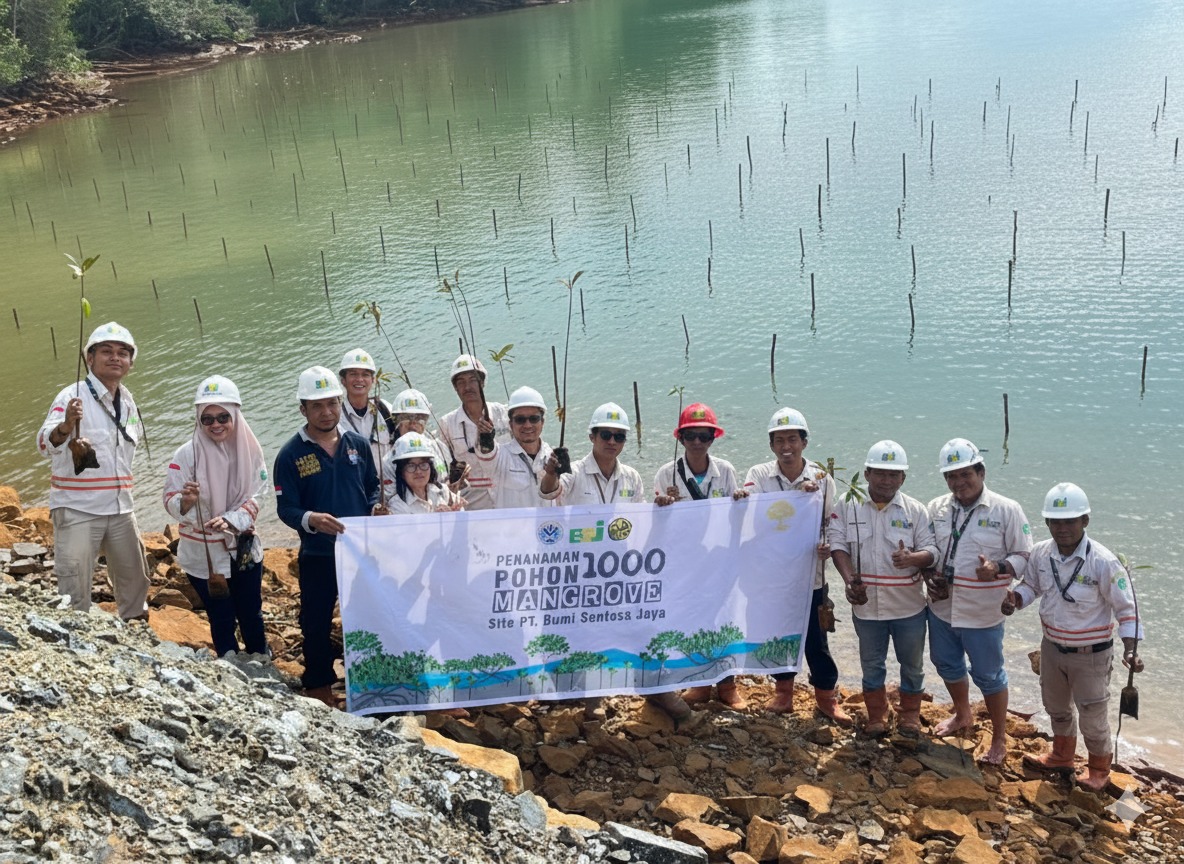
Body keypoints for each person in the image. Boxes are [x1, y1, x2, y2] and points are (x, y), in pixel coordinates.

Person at [540, 403, 697, 727]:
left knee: (641, 627)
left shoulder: (632, 477)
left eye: (619, 436)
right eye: (606, 434)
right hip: (580, 569)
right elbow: (549, 493)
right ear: (592, 436)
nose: (612, 441)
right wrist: (551, 471)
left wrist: (661, 506)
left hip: (619, 570)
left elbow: (638, 522)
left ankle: (658, 690)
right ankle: (591, 701)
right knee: (587, 633)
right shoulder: (574, 472)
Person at [1004, 483, 1144, 791]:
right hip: (1052, 649)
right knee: (1056, 707)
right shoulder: (1041, 553)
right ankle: (1061, 755)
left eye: (1070, 521)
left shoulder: (1103, 561)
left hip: (1091, 654)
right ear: (1047, 523)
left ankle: (1098, 770)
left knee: (1093, 715)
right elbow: (1032, 586)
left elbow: (1126, 609)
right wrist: (1015, 599)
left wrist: (1130, 650)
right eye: (1056, 521)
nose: (1062, 528)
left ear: (1085, 521)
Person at [273, 366, 381, 707]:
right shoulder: (290, 455)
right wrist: (311, 519)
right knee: (315, 621)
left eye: (332, 403)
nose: (326, 412)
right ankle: (319, 686)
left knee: (364, 618)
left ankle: (367, 682)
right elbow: (286, 508)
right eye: (317, 406)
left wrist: (377, 507)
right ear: (302, 409)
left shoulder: (358, 446)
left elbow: (373, 487)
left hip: (359, 553)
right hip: (318, 553)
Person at [925, 437, 1032, 765]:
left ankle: (999, 739)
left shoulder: (1007, 509)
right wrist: (931, 576)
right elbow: (927, 551)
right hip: (942, 607)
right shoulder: (936, 509)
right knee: (945, 663)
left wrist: (998, 568)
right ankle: (962, 714)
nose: (959, 482)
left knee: (989, 674)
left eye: (965, 474)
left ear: (981, 471)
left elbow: (1026, 554)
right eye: (951, 476)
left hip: (983, 612)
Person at [37, 322, 150, 620]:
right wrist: (65, 427)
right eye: (106, 351)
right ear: (90, 358)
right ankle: (77, 640)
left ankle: (136, 629)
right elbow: (44, 444)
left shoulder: (127, 400)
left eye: (123, 353)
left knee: (135, 578)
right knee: (73, 583)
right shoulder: (71, 396)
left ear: (130, 362)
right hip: (78, 507)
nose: (115, 358)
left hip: (121, 506)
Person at [743, 407, 850, 724]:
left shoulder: (822, 479)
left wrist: (828, 547)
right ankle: (783, 692)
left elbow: (832, 523)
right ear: (771, 445)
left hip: (811, 576)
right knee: (780, 634)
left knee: (817, 640)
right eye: (779, 440)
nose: (786, 446)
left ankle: (827, 699)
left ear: (804, 442)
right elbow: (752, 512)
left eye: (792, 439)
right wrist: (794, 496)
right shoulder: (759, 475)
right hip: (773, 574)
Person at [828, 441, 938, 736]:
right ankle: (876, 714)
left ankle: (910, 715)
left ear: (903, 478)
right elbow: (838, 544)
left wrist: (912, 558)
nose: (886, 480)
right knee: (872, 664)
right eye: (880, 473)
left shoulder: (915, 510)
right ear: (866, 473)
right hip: (866, 606)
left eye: (894, 475)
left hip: (908, 607)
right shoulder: (847, 504)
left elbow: (931, 551)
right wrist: (850, 579)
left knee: (912, 665)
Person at [163, 376, 269, 657]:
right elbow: (169, 498)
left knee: (251, 612)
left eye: (223, 416)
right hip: (203, 554)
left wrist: (235, 519)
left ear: (235, 414)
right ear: (199, 420)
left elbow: (260, 492)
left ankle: (261, 660)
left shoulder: (250, 449)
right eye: (207, 419)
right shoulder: (186, 455)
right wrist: (185, 503)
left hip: (244, 549)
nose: (216, 424)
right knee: (220, 614)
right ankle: (229, 663)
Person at [653, 403, 749, 709]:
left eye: (703, 436)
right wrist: (662, 504)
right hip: (684, 560)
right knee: (691, 620)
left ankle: (728, 684)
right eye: (690, 436)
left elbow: (739, 518)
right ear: (681, 439)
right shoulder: (666, 473)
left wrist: (742, 500)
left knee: (723, 618)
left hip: (719, 558)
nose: (697, 442)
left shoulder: (727, 472)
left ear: (713, 438)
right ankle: (699, 682)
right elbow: (655, 525)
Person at [439, 355, 510, 510]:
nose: (468, 387)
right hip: (471, 504)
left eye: (473, 380)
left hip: (507, 498)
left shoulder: (503, 413)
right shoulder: (447, 423)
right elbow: (442, 468)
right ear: (455, 388)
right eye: (461, 382)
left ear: (482, 382)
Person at [469, 386, 556, 509]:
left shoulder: (552, 455)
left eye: (534, 419)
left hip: (547, 527)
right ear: (510, 424)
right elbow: (486, 453)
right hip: (512, 528)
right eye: (520, 420)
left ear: (542, 422)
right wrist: (485, 436)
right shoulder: (499, 457)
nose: (527, 425)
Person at [337, 349, 395, 474]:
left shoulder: (386, 411)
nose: (359, 379)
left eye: (365, 375)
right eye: (353, 374)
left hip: (389, 487)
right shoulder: (336, 418)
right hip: (355, 488)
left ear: (373, 380)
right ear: (343, 380)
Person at [384, 433, 467, 514]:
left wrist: (454, 513)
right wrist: (437, 518)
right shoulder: (397, 505)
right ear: (401, 472)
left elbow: (461, 519)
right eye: (411, 466)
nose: (418, 471)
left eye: (423, 465)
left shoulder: (443, 492)